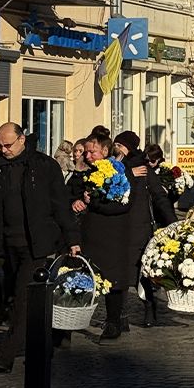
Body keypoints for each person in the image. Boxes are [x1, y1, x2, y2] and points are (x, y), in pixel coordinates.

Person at [0, 122, 79, 373]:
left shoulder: (44, 166)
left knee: (23, 299)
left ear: (22, 140)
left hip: (37, 244)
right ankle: (45, 343)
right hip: (6, 243)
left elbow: (61, 205)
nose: (3, 149)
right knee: (16, 298)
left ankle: (6, 355)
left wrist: (72, 238)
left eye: (7, 145)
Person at [77, 133, 135, 340]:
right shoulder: (87, 171)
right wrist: (77, 200)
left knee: (113, 281)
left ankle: (114, 322)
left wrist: (93, 202)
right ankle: (74, 319)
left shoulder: (119, 170)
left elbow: (123, 204)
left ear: (104, 151)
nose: (88, 156)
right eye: (86, 152)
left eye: (92, 151)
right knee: (86, 277)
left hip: (112, 233)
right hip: (91, 233)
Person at [120, 135, 175, 328]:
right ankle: (120, 317)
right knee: (119, 274)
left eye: (120, 146)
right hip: (118, 228)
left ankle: (149, 308)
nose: (116, 149)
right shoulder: (115, 167)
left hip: (139, 229)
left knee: (140, 273)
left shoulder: (143, 169)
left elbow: (159, 196)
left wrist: (172, 223)